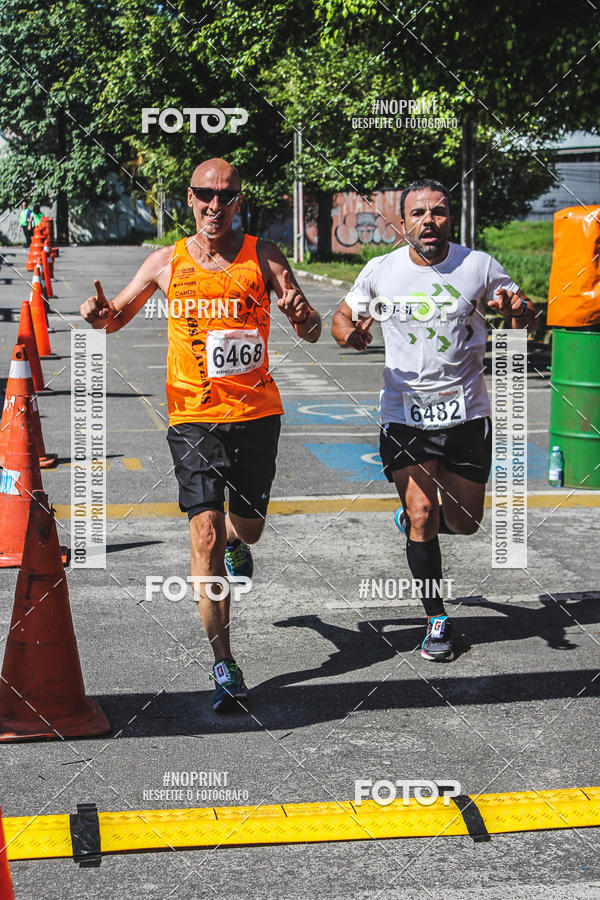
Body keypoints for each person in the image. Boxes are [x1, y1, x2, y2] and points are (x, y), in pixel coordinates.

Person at [80, 158, 321, 710]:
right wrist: (97, 314)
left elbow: (306, 328)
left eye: (226, 196)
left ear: (239, 200)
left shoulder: (263, 255)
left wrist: (303, 316)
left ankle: (240, 541)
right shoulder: (165, 262)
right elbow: (113, 317)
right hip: (193, 416)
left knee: (247, 531)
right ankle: (223, 662)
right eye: (204, 195)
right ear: (188, 199)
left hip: (257, 415)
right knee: (205, 533)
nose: (215, 206)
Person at [331, 178, 536, 662]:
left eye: (439, 212)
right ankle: (436, 618)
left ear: (450, 218)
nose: (429, 221)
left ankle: (416, 522)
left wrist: (518, 311)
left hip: (467, 414)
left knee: (465, 523)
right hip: (405, 414)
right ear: (402, 223)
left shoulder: (478, 266)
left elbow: (526, 313)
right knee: (424, 515)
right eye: (419, 213)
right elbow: (341, 319)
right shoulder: (382, 270)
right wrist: (351, 337)